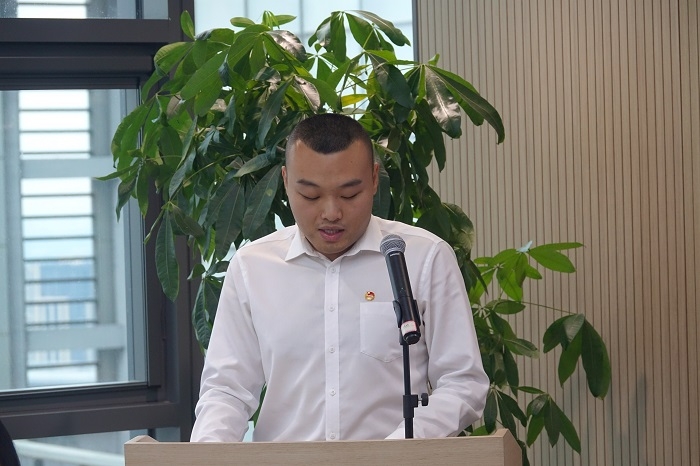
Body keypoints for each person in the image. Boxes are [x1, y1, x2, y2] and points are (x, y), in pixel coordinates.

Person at [190, 113, 488, 442]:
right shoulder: (252, 267)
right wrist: (206, 454)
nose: (331, 213)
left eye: (349, 195)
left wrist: (396, 453)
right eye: (311, 196)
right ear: (286, 182)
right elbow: (226, 391)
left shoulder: (423, 258)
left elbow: (463, 383)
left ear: (374, 179)